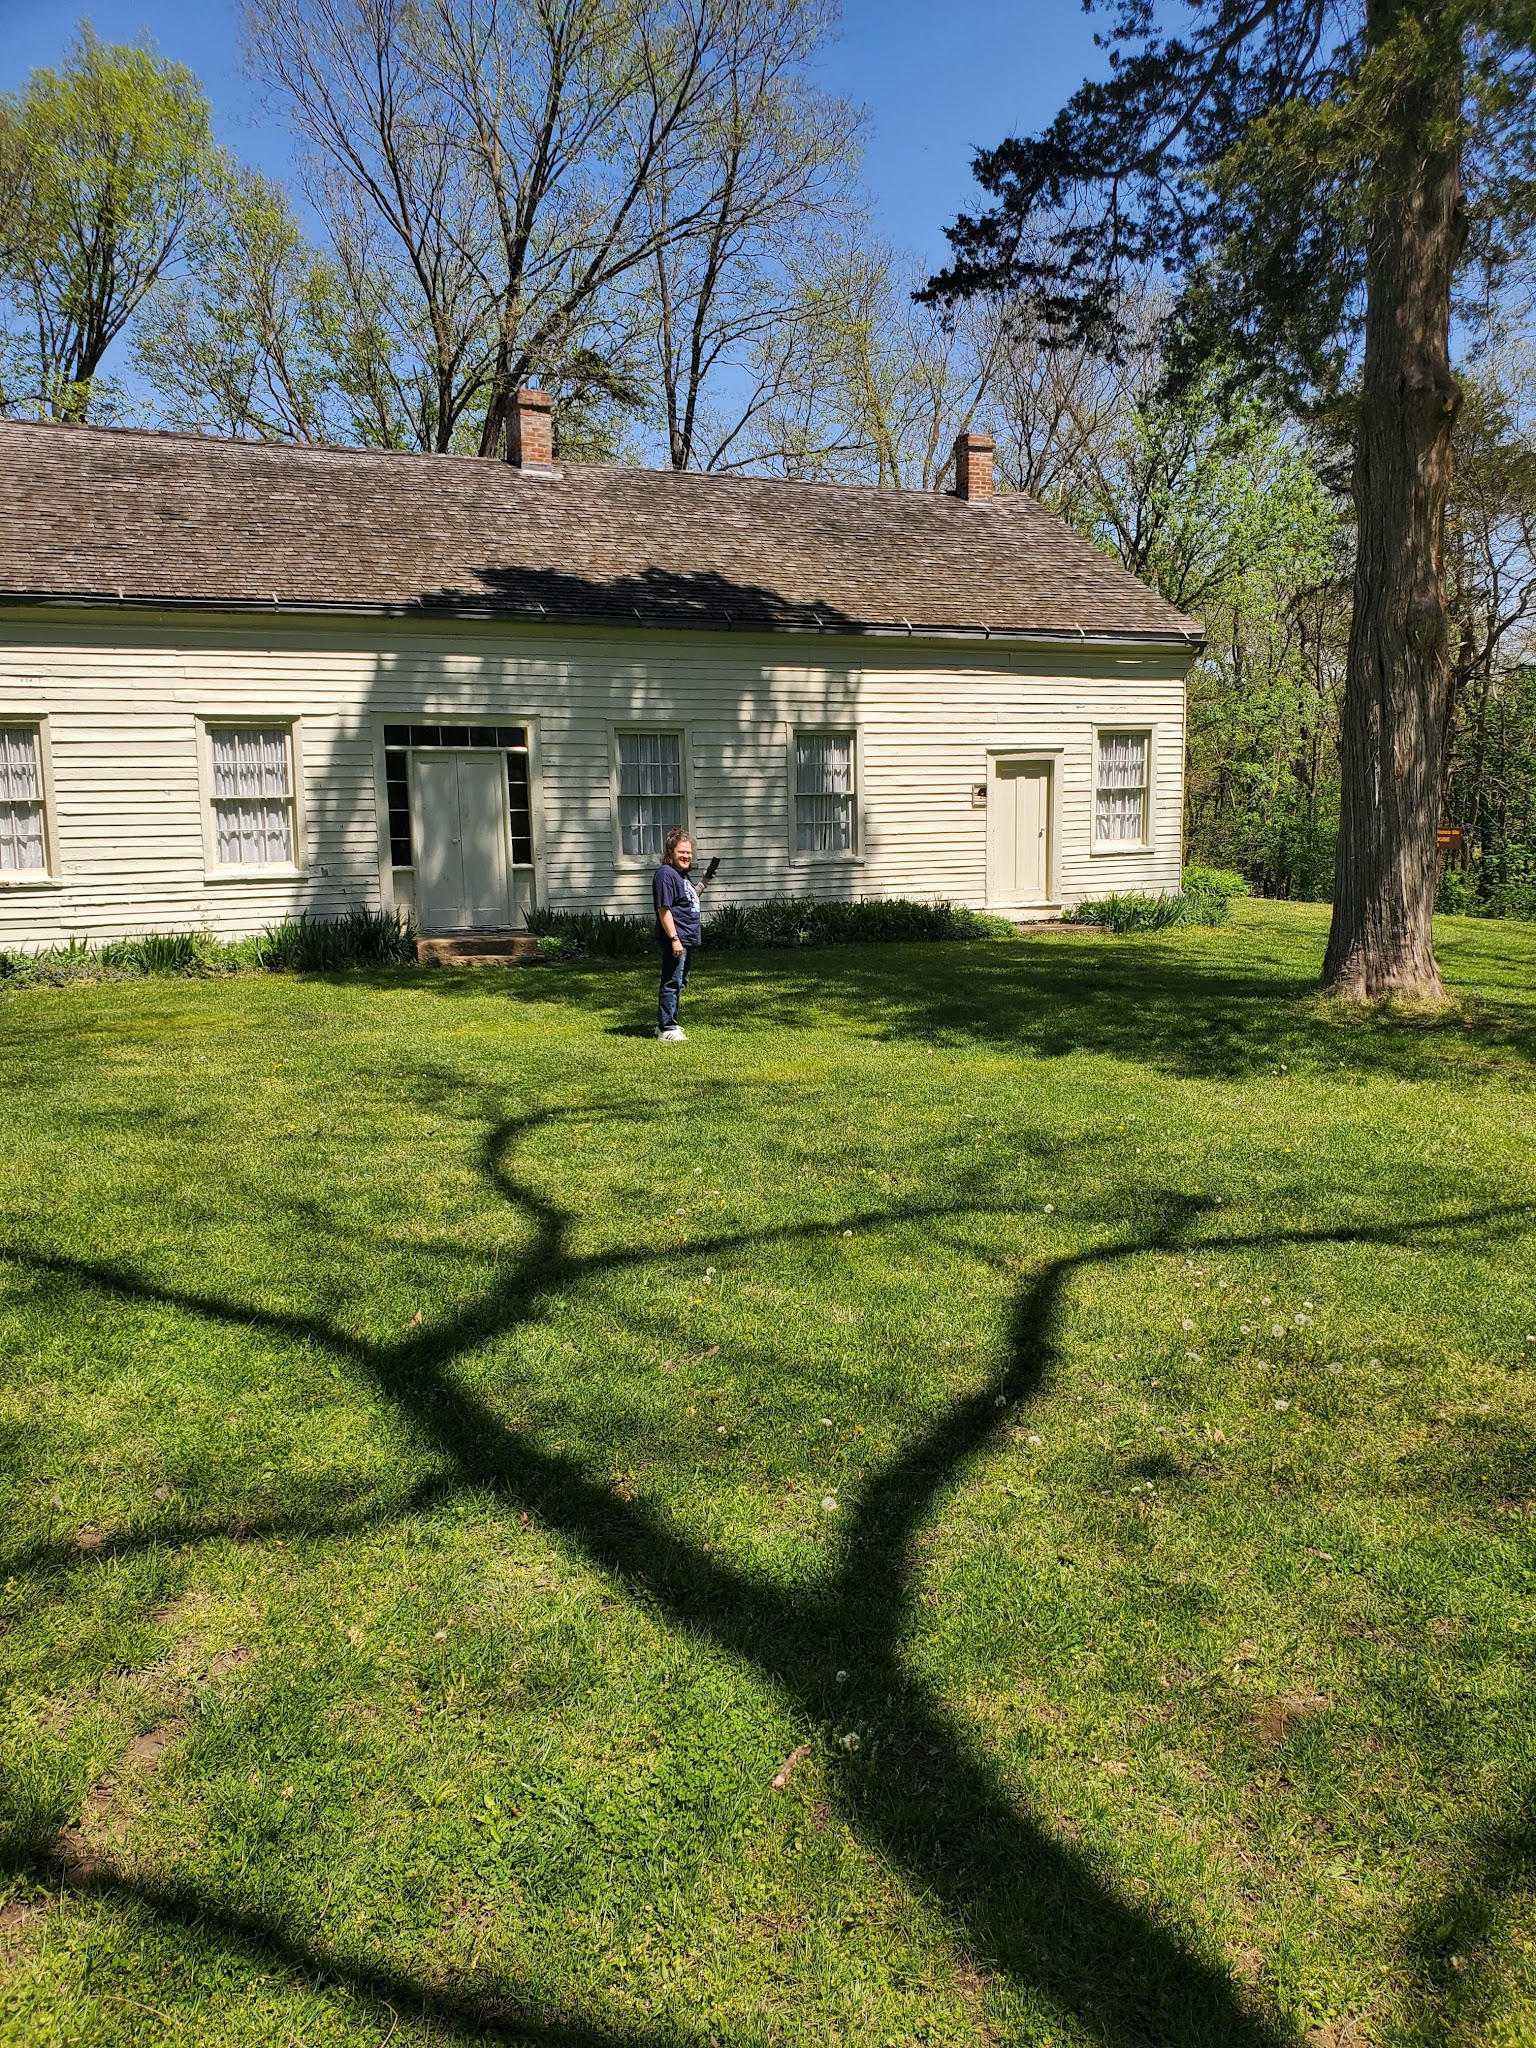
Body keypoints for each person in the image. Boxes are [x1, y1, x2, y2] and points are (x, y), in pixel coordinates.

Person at [653, 828, 703, 1040]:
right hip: (677, 937)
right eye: (681, 852)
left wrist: (706, 880)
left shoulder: (680, 875)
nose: (686, 856)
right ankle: (667, 1028)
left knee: (680, 980)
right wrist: (674, 939)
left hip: (686, 937)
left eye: (689, 853)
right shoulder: (665, 874)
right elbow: (663, 909)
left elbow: (688, 899)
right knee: (672, 981)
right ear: (670, 852)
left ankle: (667, 1022)